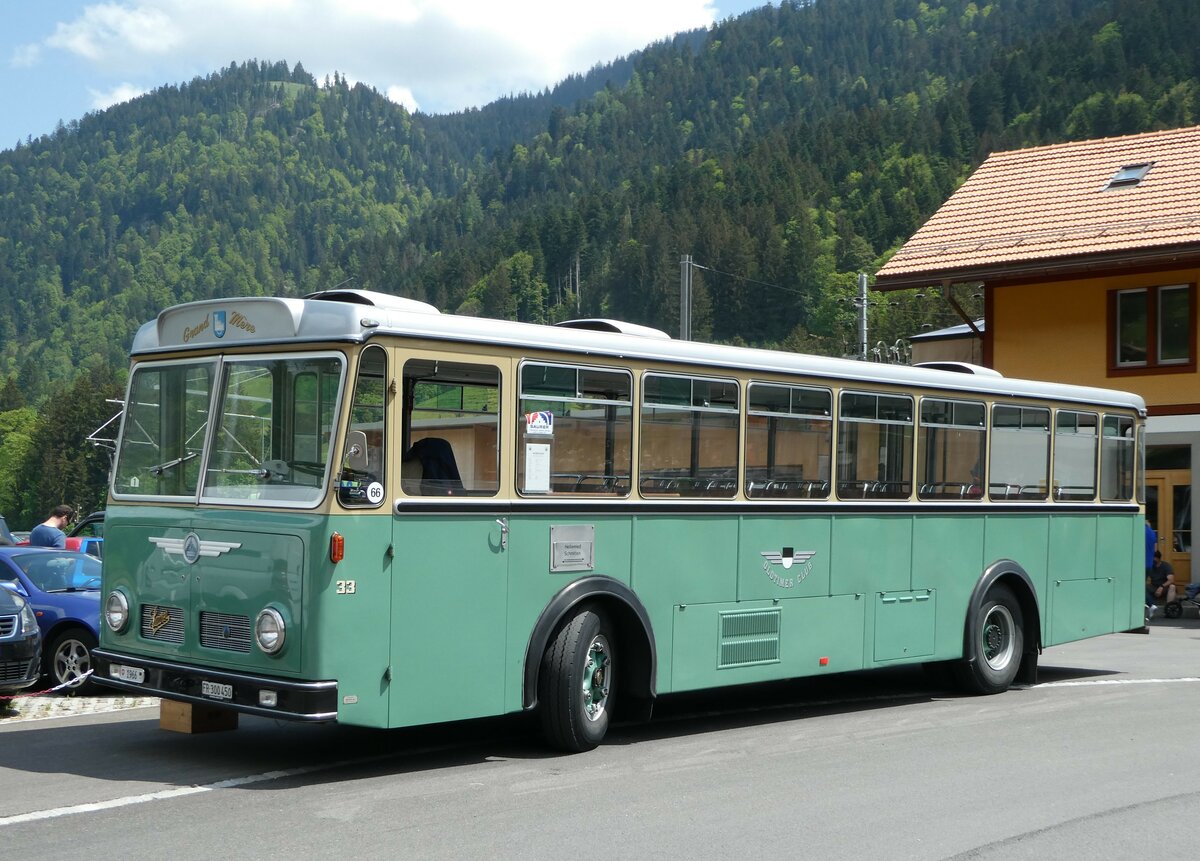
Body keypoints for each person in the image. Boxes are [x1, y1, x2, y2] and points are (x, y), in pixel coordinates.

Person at [1146, 550, 1176, 619]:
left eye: (1154, 558)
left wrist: (1161, 587)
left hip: (1165, 587)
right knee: (1143, 587)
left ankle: (1168, 610)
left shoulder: (1166, 566)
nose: (1152, 560)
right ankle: (1151, 605)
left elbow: (1171, 580)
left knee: (1172, 587)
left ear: (1158, 558)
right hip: (1154, 586)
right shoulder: (1150, 566)